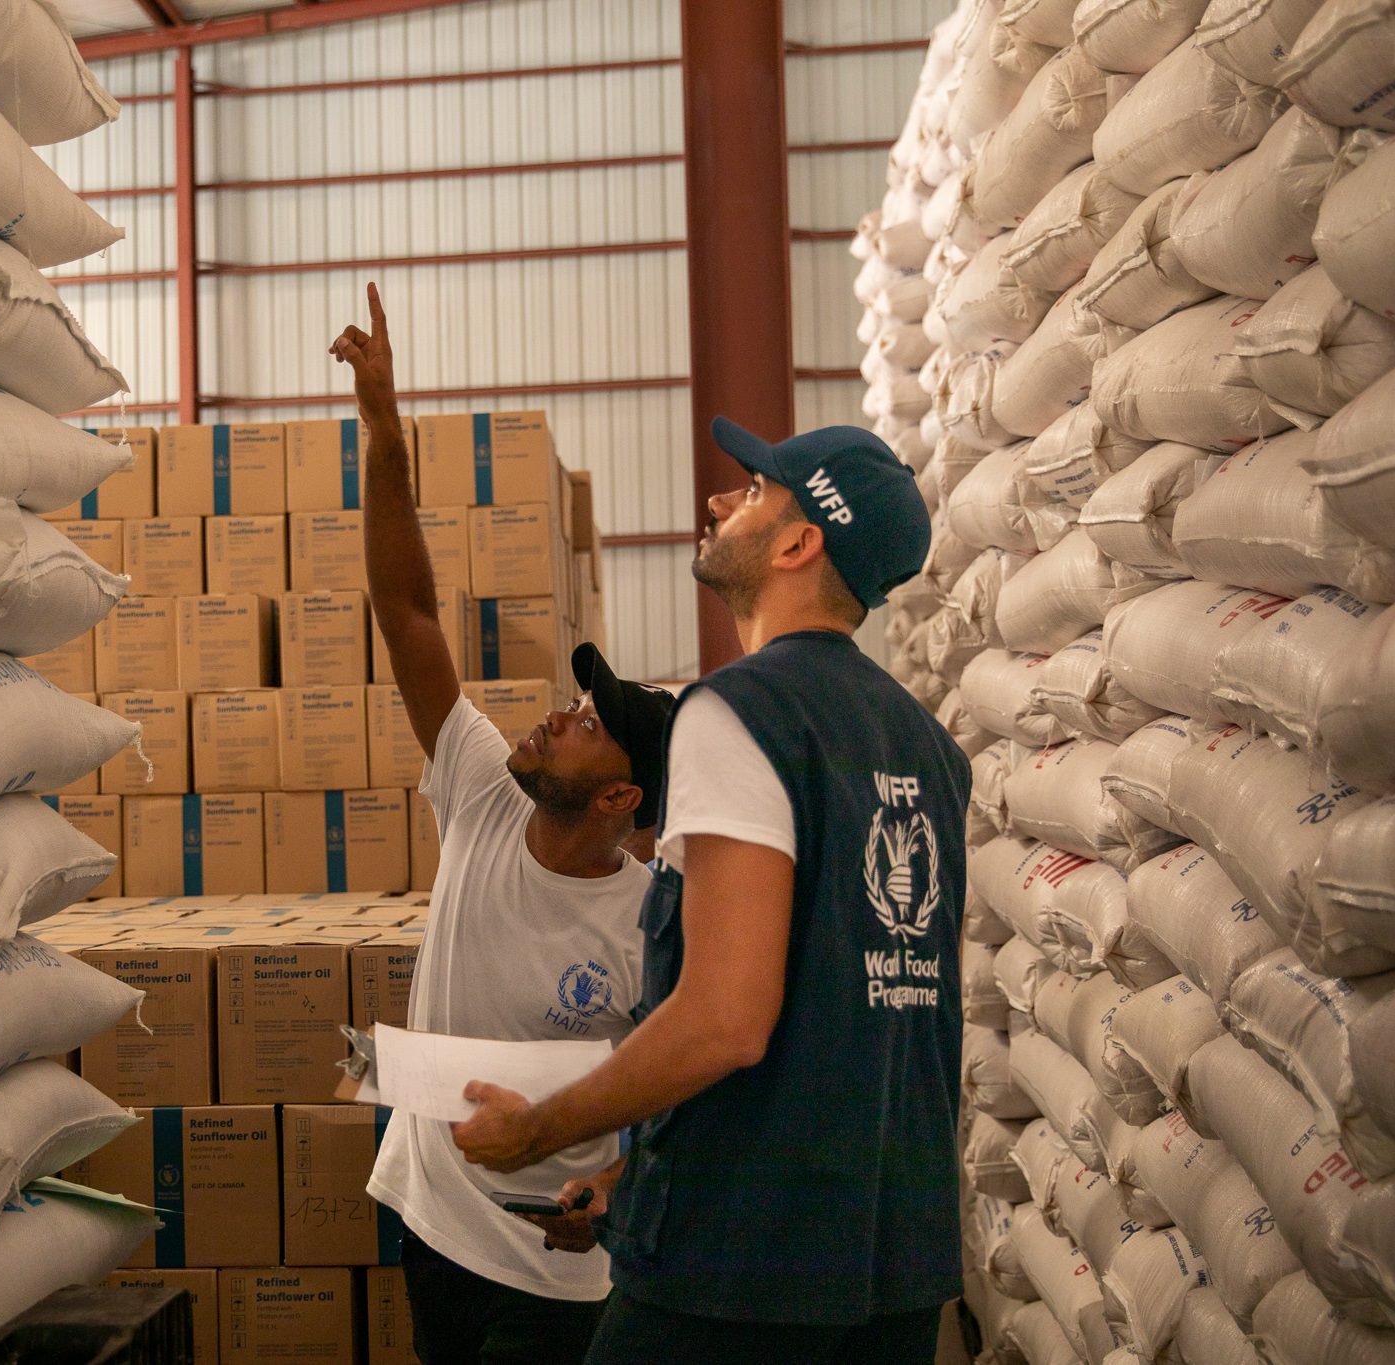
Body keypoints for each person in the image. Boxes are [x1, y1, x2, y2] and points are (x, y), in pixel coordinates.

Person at [450, 417, 971, 1363]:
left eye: (754, 491)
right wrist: (629, 1170)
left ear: (798, 540)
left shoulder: (739, 712)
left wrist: (539, 1129)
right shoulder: (926, 746)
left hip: (746, 1257)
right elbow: (855, 1004)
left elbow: (729, 1016)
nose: (721, 501)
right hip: (895, 1255)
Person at [329, 284, 678, 1364]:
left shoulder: (653, 924)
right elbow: (409, 610)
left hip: (554, 1261)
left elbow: (681, 1108)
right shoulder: (483, 789)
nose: (563, 713)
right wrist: (384, 427)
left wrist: (609, 1190)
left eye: (591, 727)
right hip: (432, 1215)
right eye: (579, 701)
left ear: (621, 798)